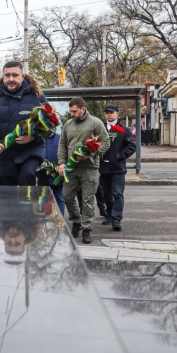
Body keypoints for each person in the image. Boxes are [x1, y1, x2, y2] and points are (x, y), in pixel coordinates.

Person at [0, 61, 49, 186]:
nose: (11, 79)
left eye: (15, 75)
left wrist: (33, 136)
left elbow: (49, 124)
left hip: (31, 152)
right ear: (3, 76)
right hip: (6, 155)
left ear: (22, 76)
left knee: (27, 175)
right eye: (7, 75)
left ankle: (28, 204)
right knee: (10, 194)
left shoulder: (37, 96)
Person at [57, 97, 110, 244]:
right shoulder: (68, 124)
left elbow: (106, 142)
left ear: (82, 109)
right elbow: (62, 145)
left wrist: (90, 154)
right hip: (71, 168)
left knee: (87, 200)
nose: (72, 114)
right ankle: (76, 222)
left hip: (89, 169)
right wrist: (61, 163)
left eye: (74, 111)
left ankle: (86, 229)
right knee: (66, 196)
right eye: (71, 111)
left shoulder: (95, 122)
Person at [99, 104, 136, 232]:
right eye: (107, 112)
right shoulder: (101, 128)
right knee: (106, 194)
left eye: (112, 112)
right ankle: (109, 215)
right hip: (103, 167)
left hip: (118, 168)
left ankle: (116, 219)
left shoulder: (124, 130)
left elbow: (131, 146)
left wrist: (120, 155)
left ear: (117, 114)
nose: (109, 114)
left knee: (117, 194)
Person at [37, 130, 65, 216]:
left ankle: (61, 220)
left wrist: (63, 165)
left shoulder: (60, 138)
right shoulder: (39, 139)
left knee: (60, 199)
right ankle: (43, 221)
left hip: (58, 176)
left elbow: (65, 154)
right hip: (43, 176)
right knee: (43, 199)